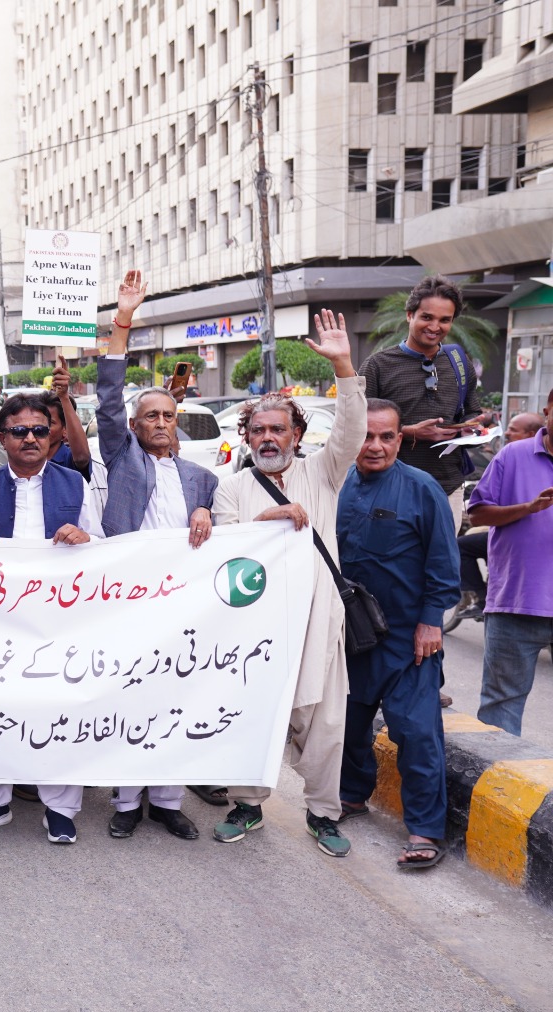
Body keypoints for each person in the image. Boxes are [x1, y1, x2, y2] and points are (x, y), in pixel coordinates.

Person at [210, 309, 364, 858]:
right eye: (259, 430)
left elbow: (351, 429)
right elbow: (225, 558)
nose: (269, 437)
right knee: (253, 715)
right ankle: (247, 804)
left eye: (279, 429)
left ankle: (323, 815)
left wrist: (343, 365)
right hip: (256, 629)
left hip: (318, 622)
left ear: (298, 435)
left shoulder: (322, 473)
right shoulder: (232, 490)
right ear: (246, 436)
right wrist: (266, 524)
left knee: (325, 725)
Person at [93, 270, 214, 841]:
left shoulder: (202, 478)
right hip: (126, 599)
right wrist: (124, 321)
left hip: (183, 606)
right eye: (151, 417)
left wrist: (207, 514)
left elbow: (230, 534)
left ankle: (166, 801)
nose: (160, 423)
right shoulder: (122, 458)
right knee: (128, 695)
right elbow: (108, 395)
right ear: (135, 427)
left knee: (175, 696)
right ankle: (125, 800)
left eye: (168, 416)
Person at [0, 393, 102, 844]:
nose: (30, 438)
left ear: (54, 434)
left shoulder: (77, 485)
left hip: (58, 623)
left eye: (39, 430)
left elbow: (102, 547)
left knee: (58, 709)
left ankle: (59, 807)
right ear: (3, 437)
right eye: (18, 431)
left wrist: (84, 537)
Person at [337, 400, 459, 870]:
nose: (376, 446)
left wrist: (431, 621)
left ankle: (426, 829)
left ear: (401, 440)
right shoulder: (337, 484)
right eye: (367, 436)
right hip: (349, 634)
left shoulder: (422, 488)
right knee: (347, 724)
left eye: (387, 437)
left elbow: (444, 564)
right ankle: (350, 797)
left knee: (415, 732)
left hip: (410, 638)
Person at [360, 275, 482, 531]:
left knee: (443, 565)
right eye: (427, 317)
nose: (435, 326)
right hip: (391, 486)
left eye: (444, 320)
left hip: (448, 487)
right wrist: (411, 432)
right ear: (409, 315)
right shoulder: (377, 366)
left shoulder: (459, 362)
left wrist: (470, 428)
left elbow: (472, 411)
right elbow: (355, 426)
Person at [469, 388, 553, 737]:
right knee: (500, 706)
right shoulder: (513, 455)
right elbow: (477, 515)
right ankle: (497, 786)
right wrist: (527, 509)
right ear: (548, 409)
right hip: (516, 603)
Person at [455, 411, 545, 622]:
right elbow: (479, 511)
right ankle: (483, 594)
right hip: (503, 536)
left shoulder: (516, 456)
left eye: (513, 430)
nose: (506, 433)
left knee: (463, 545)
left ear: (531, 434)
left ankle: (482, 597)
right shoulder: (506, 455)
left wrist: (528, 508)